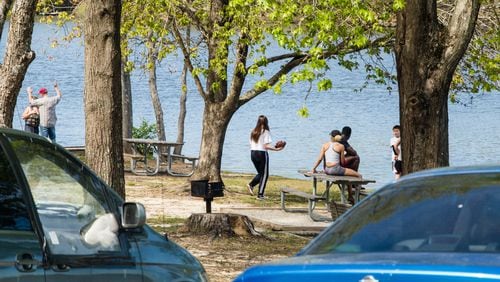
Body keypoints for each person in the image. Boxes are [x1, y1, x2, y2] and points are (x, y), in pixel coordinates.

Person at [310, 130, 362, 204]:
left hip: (327, 170)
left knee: (349, 176)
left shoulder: (325, 145)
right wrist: (351, 158)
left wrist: (314, 168)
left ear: (331, 136)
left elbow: (320, 159)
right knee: (358, 175)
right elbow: (343, 162)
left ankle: (350, 196)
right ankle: (357, 197)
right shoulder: (341, 146)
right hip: (336, 170)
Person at [247, 115, 284, 200]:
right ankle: (260, 195)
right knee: (265, 175)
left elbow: (252, 144)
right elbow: (265, 146)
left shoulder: (253, 131)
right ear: (266, 122)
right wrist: (277, 149)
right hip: (262, 154)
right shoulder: (266, 132)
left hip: (253, 153)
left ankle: (251, 185)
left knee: (261, 173)